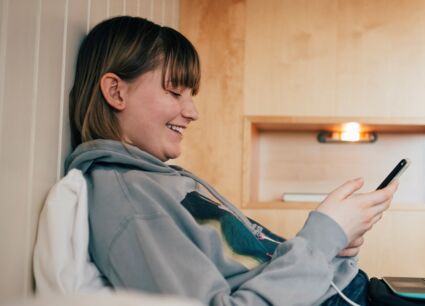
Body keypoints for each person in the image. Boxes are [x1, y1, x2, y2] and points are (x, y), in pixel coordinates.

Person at [65, 16, 398, 306]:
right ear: (117, 92)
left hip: (342, 291)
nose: (192, 112)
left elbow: (257, 270)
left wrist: (334, 248)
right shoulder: (131, 203)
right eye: (175, 92)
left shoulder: (155, 181)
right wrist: (322, 235)